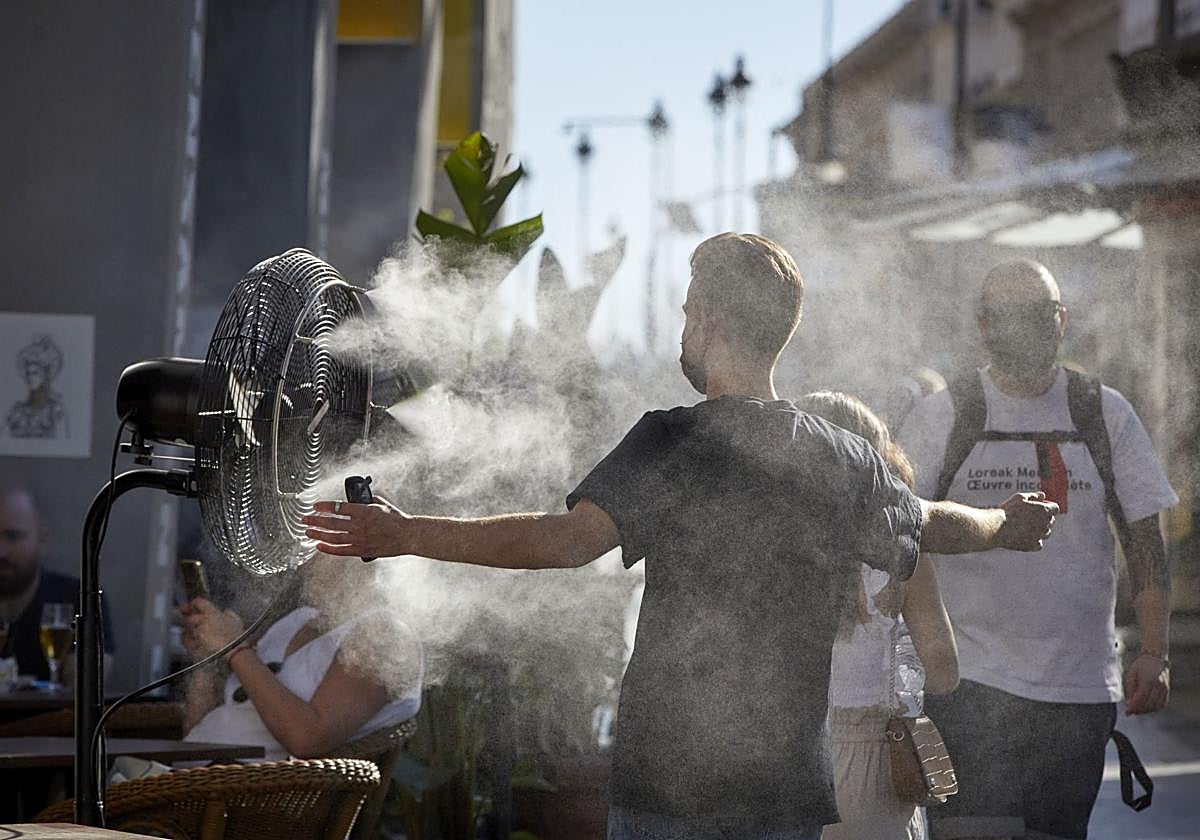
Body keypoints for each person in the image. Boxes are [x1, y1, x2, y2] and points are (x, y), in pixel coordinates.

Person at [303, 233, 1058, 838]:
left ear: (712, 322)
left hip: (666, 789)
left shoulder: (670, 441)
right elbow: (931, 522)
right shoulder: (842, 456)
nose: (683, 328)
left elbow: (563, 543)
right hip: (784, 794)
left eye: (689, 310)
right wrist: (1006, 525)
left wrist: (406, 533)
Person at [897, 259, 1177, 840]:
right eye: (1011, 314)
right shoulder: (944, 414)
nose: (1027, 327)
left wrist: (1155, 651)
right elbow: (902, 529)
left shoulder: (1103, 413)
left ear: (1061, 319)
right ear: (984, 322)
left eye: (1041, 314)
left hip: (1076, 689)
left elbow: (1144, 542)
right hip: (968, 682)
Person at [800, 391, 957, 840]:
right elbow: (944, 674)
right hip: (876, 766)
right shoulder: (904, 552)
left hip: (791, 763)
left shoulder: (771, 550)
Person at [179, 554, 423, 761]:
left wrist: (235, 649)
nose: (303, 561)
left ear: (365, 555)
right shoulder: (300, 619)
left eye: (319, 548)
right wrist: (208, 658)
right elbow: (199, 729)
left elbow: (307, 740)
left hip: (254, 793)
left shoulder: (385, 635)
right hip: (193, 777)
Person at [0, 485, 113, 682]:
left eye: (13, 537)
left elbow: (88, 680)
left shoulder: (79, 597)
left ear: (42, 539)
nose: (1, 552)